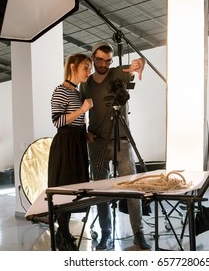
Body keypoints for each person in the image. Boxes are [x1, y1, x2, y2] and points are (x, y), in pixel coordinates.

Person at [80, 41, 151, 250]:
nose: (103, 64)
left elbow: (136, 65)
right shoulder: (86, 84)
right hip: (97, 143)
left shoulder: (117, 73)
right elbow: (79, 110)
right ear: (93, 57)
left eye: (108, 60)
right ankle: (106, 234)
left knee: (132, 187)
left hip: (121, 141)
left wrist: (141, 63)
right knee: (101, 191)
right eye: (100, 60)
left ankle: (138, 233)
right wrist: (84, 132)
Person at [48, 54, 94, 251]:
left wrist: (86, 134)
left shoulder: (77, 92)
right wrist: (82, 110)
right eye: (85, 67)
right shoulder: (60, 91)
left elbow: (74, 121)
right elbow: (57, 121)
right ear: (73, 67)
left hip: (77, 143)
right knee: (64, 189)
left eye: (89, 67)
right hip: (65, 145)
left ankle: (63, 235)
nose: (89, 71)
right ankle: (64, 236)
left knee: (75, 188)